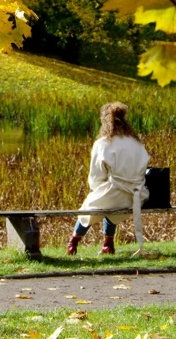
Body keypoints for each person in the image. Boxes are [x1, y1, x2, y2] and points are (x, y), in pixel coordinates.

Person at [67, 102, 150, 256]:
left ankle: (73, 243)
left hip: (117, 192)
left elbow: (96, 177)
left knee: (91, 205)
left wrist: (97, 188)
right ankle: (108, 243)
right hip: (137, 195)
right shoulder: (137, 143)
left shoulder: (103, 143)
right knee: (111, 199)